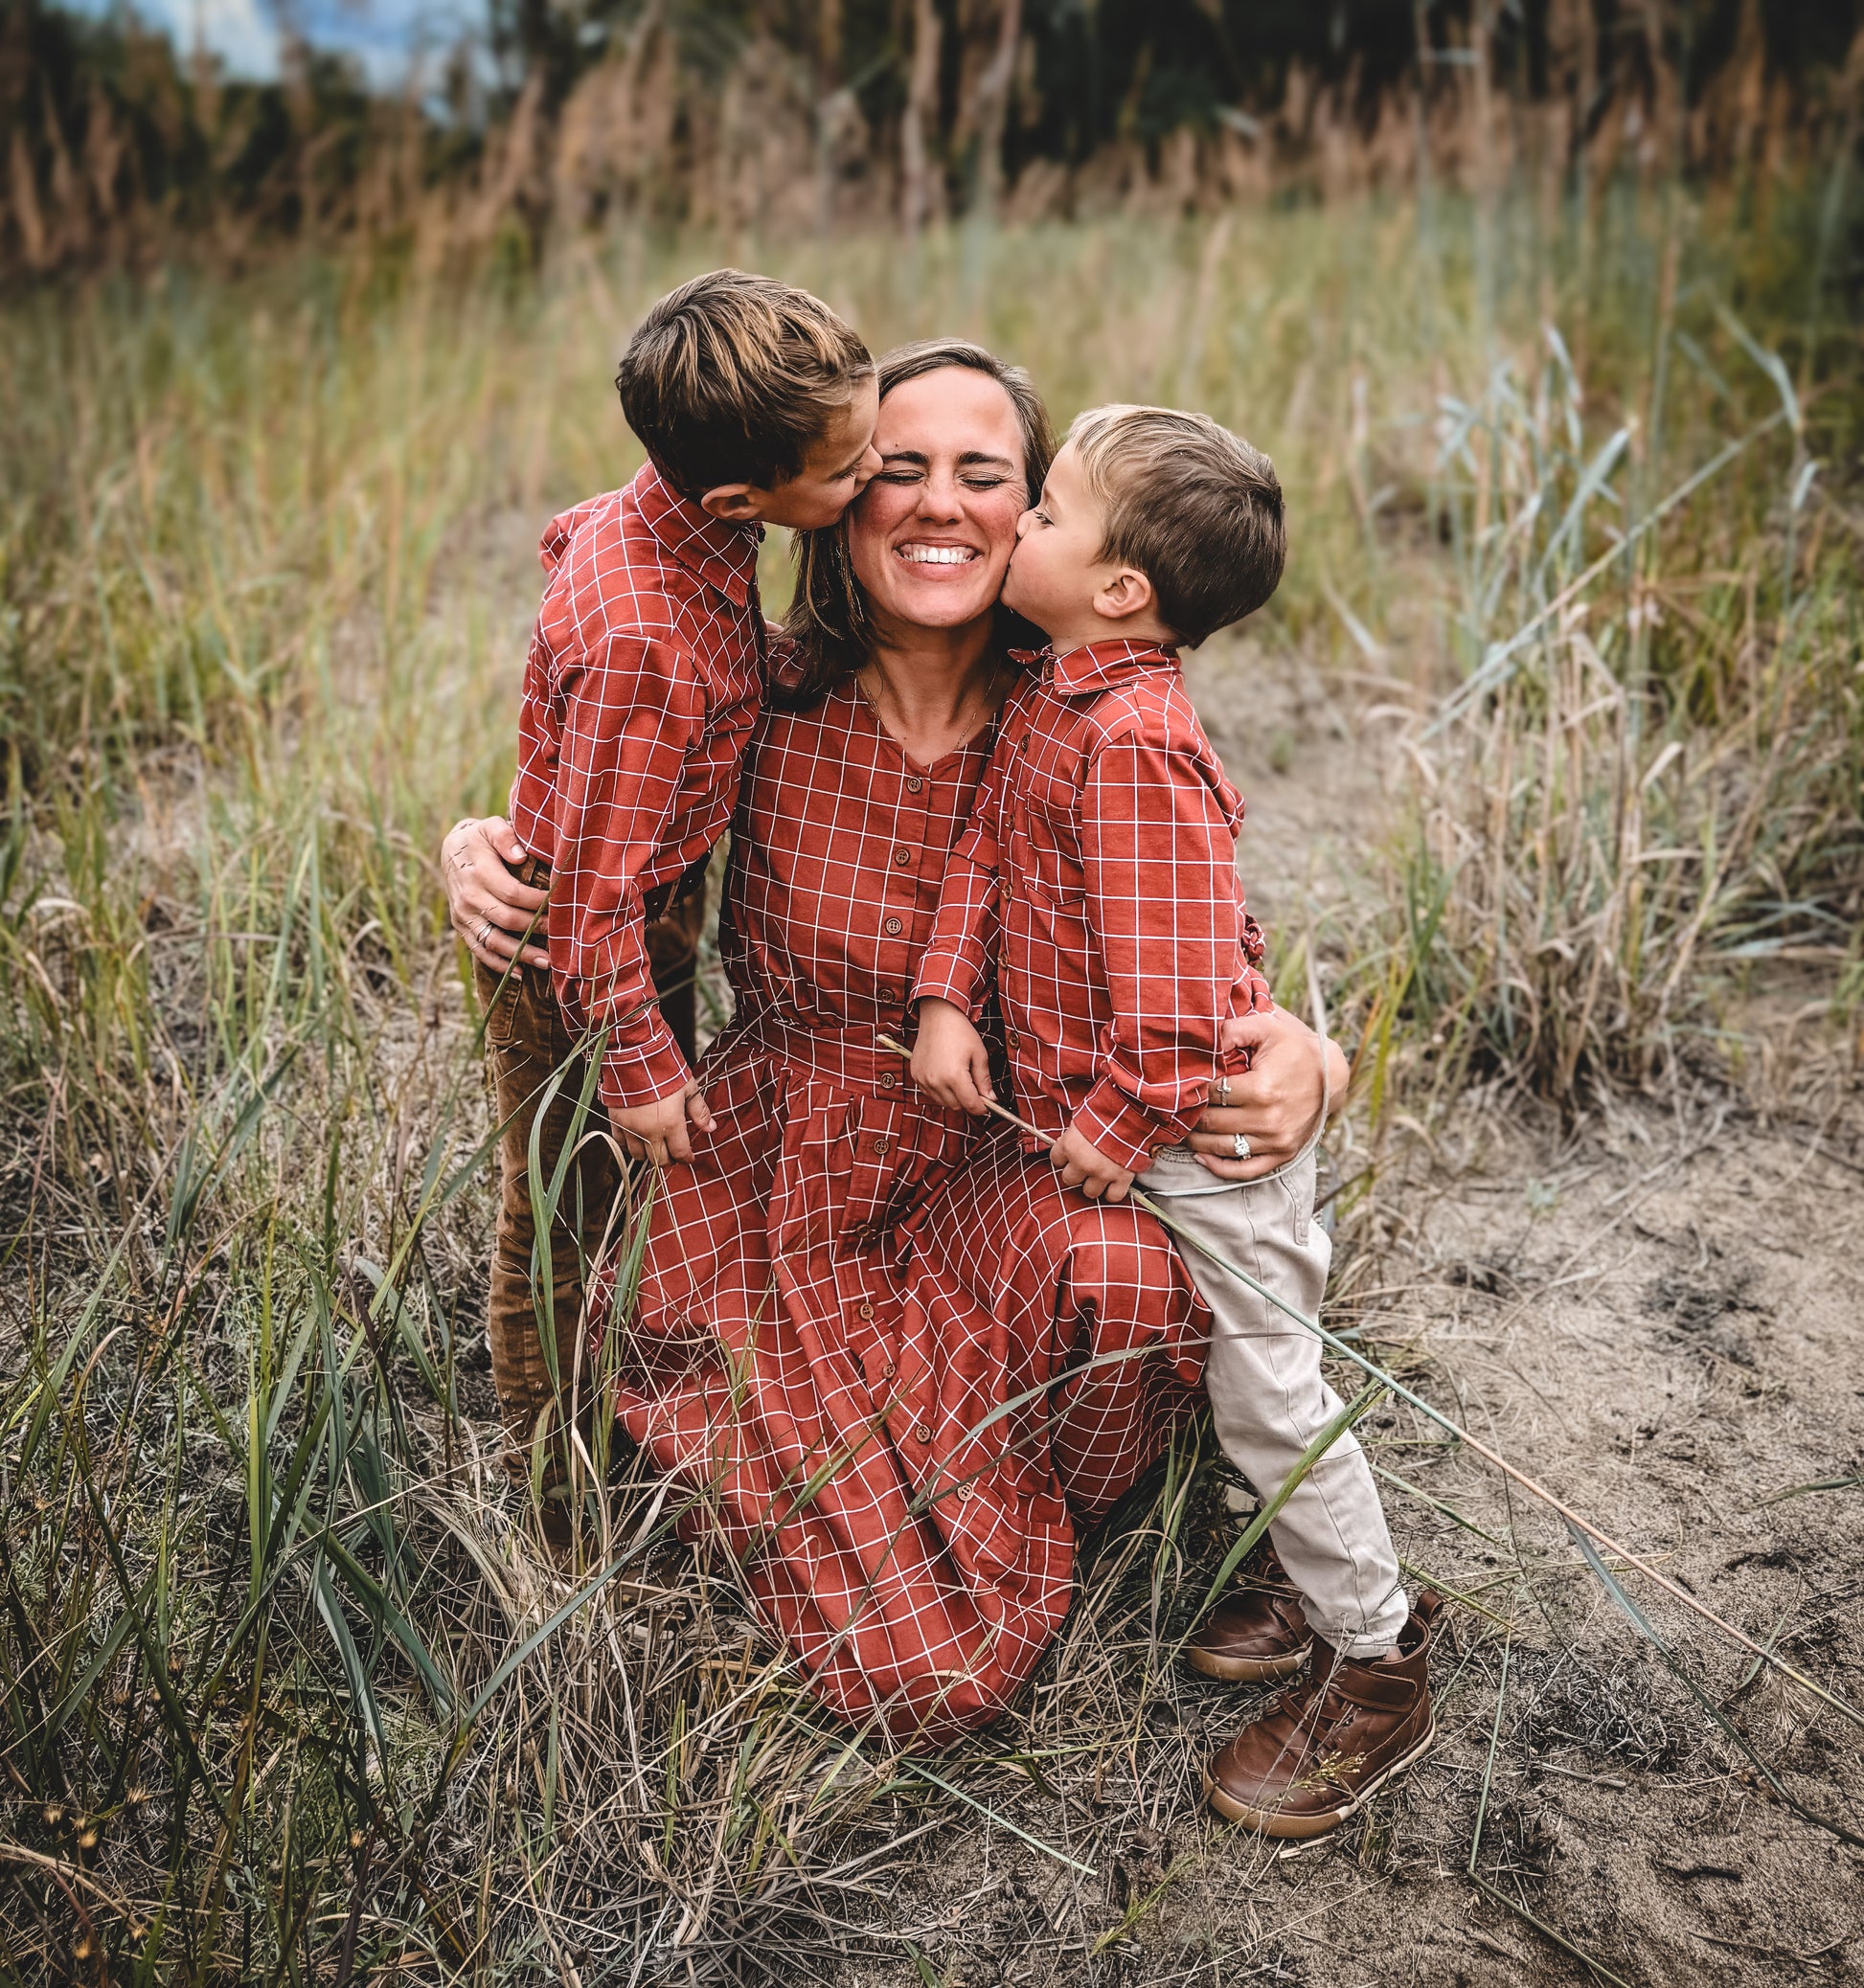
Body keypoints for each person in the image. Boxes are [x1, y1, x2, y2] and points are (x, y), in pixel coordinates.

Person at [443, 345, 1348, 1745]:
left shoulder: (1088, 718)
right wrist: (471, 846)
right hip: (783, 1167)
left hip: (995, 1161)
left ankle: (1052, 1513)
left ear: (1041, 517)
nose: (937, 505)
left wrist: (1311, 1052)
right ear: (831, 507)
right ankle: (869, 1526)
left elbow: (1195, 945)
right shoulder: (758, 693)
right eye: (893, 471)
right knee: (867, 1607)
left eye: (987, 477)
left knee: (1123, 1278)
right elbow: (598, 790)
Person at [910, 404, 1436, 1832]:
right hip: (1135, 1125)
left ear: (1120, 589)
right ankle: (1301, 1564)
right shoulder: (1053, 691)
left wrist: (1119, 1124)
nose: (1015, 520)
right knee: (1237, 1383)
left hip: (1199, 1146)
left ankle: (1375, 1666)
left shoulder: (1135, 744)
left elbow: (1182, 993)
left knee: (1271, 1394)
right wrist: (952, 994)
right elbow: (988, 863)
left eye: (1048, 514)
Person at [466, 268, 879, 1478]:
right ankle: (559, 1481)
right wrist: (643, 1068)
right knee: (561, 1210)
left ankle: (633, 1410)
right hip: (574, 951)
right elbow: (593, 905)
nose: (866, 483)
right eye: (848, 473)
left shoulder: (664, 518)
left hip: (637, 908)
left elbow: (565, 536)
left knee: (616, 1203)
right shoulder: (646, 645)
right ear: (745, 494)